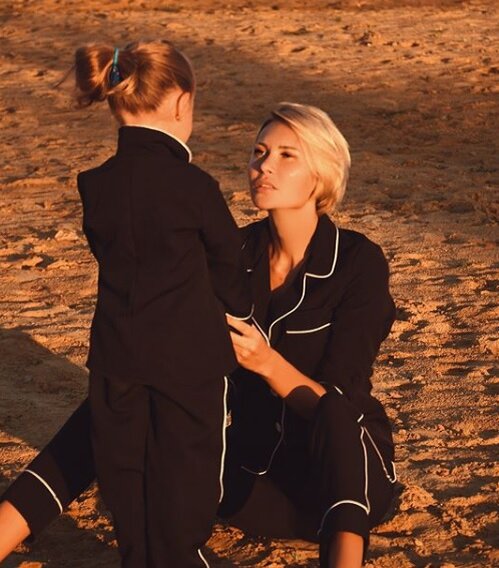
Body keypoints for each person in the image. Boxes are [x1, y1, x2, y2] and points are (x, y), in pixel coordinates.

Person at [0, 102, 397, 568]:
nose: (264, 165)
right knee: (117, 397)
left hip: (345, 483)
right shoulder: (231, 251)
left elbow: (343, 396)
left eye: (286, 155)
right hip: (250, 483)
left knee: (336, 412)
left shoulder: (357, 263)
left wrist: (266, 363)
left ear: (322, 174)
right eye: (259, 152)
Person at [5, 40, 253, 568]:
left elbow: (112, 253)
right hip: (190, 366)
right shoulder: (195, 186)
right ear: (181, 103)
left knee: (126, 473)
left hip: (116, 356)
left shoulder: (96, 185)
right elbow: (229, 264)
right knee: (186, 478)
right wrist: (241, 310)